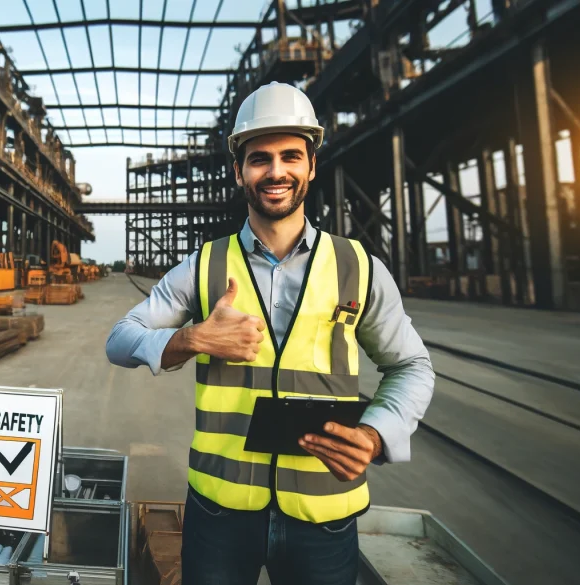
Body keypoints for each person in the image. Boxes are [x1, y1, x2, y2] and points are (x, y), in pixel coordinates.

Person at [105, 81, 434, 585]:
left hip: (324, 512)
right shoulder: (205, 265)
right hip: (220, 511)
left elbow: (410, 365)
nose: (276, 171)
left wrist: (375, 434)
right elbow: (120, 338)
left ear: (311, 166)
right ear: (239, 171)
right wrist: (190, 339)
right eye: (260, 158)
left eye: (290, 156)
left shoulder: (359, 267)